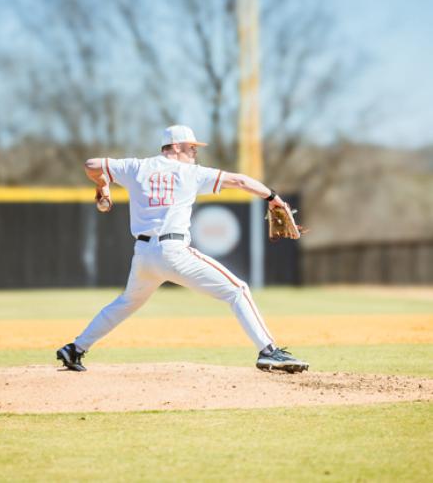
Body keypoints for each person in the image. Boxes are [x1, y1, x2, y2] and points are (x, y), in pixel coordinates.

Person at [57, 125, 308, 373]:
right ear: (175, 147)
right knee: (237, 290)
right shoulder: (192, 173)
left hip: (144, 255)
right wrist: (273, 198)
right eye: (191, 148)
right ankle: (268, 352)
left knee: (126, 302)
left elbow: (91, 165)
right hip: (173, 251)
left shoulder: (136, 167)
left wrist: (103, 187)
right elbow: (240, 181)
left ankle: (76, 348)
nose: (195, 153)